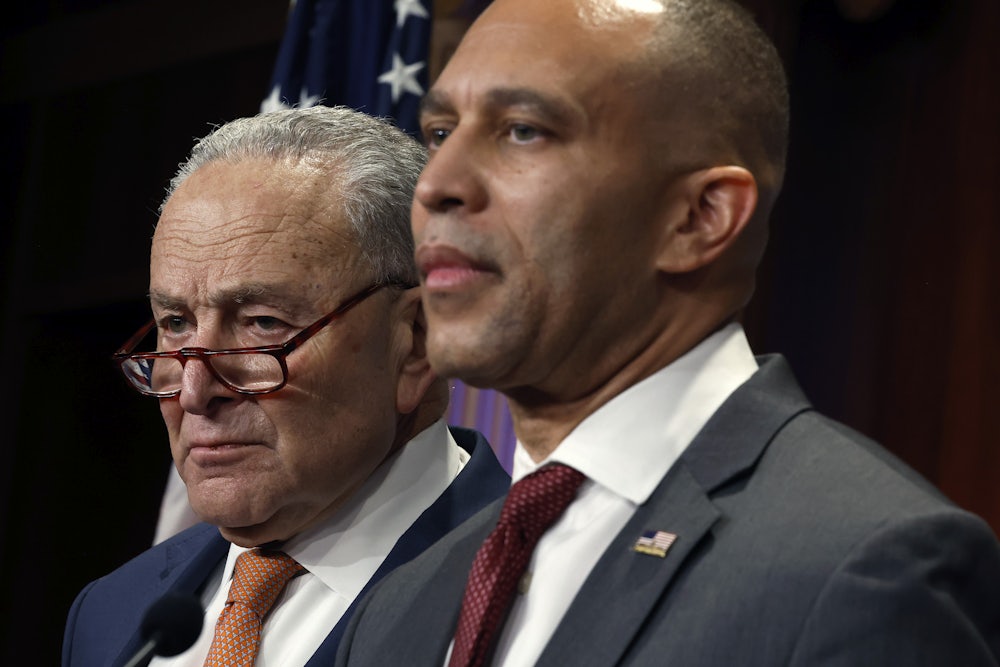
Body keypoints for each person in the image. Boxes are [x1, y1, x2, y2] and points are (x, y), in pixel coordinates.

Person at [334, 1, 1000, 665]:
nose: (437, 185)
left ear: (699, 217)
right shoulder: (401, 602)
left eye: (524, 130)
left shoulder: (864, 566)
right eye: (441, 132)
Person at [62, 105, 509, 666]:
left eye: (263, 323)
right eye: (175, 324)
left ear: (417, 341)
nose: (196, 391)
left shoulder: (540, 589)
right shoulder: (111, 611)